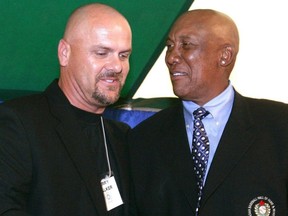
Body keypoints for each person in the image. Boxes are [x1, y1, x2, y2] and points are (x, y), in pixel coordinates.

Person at [129, 9, 288, 216]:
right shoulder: (142, 138)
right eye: (169, 46)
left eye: (186, 45)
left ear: (224, 56)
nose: (171, 57)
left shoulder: (280, 126)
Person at [0, 3, 132, 216]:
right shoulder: (18, 124)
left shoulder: (122, 137)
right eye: (102, 52)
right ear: (64, 53)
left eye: (123, 55)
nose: (117, 66)